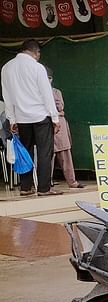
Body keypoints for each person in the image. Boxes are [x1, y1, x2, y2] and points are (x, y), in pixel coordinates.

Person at [1, 39, 61, 196]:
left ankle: (26, 187)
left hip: (21, 118)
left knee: (25, 151)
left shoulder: (6, 68)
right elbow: (46, 94)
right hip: (41, 116)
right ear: (36, 52)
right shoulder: (37, 67)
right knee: (44, 152)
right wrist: (55, 117)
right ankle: (44, 188)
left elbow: (7, 96)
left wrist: (12, 119)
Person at [45, 69, 82, 189]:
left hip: (58, 126)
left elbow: (59, 107)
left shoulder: (55, 92)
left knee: (64, 153)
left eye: (49, 78)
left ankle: (72, 181)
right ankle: (46, 183)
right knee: (46, 155)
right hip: (45, 125)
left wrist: (57, 113)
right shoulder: (35, 93)